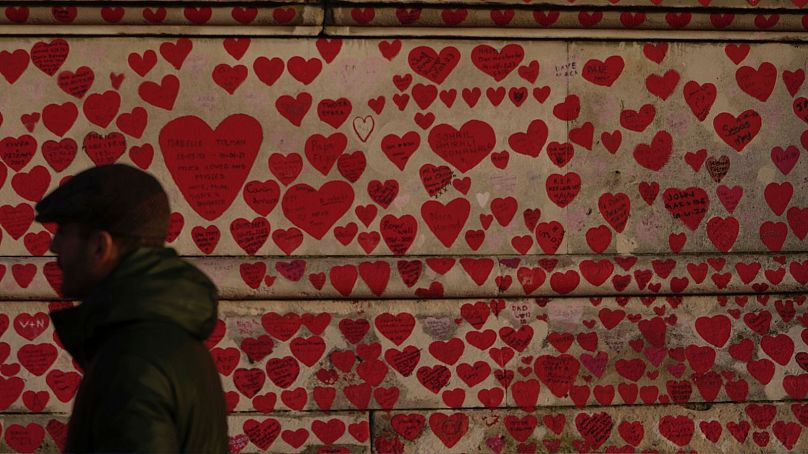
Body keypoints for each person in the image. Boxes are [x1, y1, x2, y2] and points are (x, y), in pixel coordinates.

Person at [35, 163, 228, 453]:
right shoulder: (170, 340)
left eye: (63, 232)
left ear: (100, 246)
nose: (53, 246)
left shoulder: (133, 361)